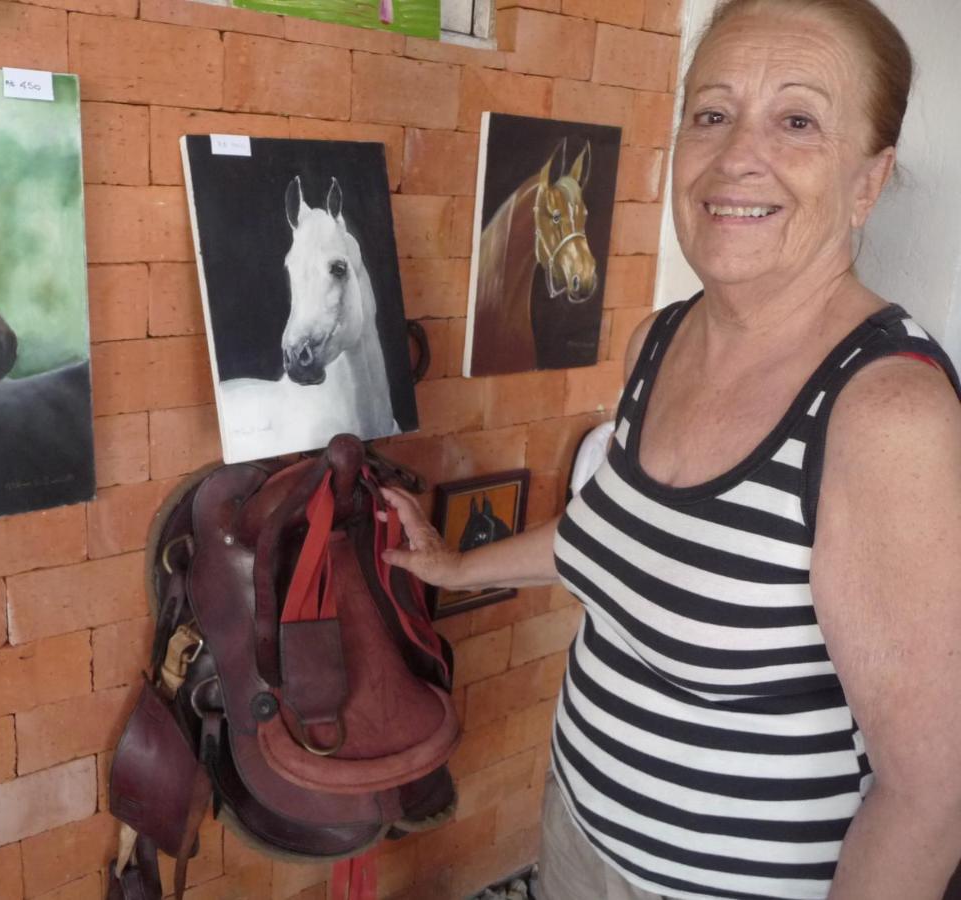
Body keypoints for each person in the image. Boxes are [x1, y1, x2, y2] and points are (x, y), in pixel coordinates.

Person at [381, 1, 961, 897]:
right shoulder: (658, 339)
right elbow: (621, 538)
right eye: (712, 113)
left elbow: (933, 798)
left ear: (867, 182)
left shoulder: (885, 414)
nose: (736, 156)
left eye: (797, 120)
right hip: (576, 832)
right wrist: (454, 568)